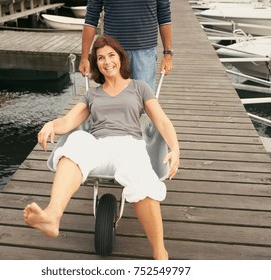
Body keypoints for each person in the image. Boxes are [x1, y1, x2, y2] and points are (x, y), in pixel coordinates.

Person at [24, 35, 179, 260]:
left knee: (142, 177)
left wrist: (175, 148)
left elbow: (162, 121)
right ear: (96, 63)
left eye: (111, 55)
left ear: (120, 58)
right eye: (100, 58)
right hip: (99, 145)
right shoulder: (92, 94)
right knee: (76, 142)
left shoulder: (139, 87)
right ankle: (52, 217)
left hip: (129, 145)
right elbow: (68, 122)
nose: (107, 62)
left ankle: (159, 252)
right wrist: (50, 124)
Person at [79, 0, 173, 90]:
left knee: (144, 99)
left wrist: (167, 54)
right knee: (113, 98)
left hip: (144, 52)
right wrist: (84, 58)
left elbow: (164, 15)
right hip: (112, 52)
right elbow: (91, 19)